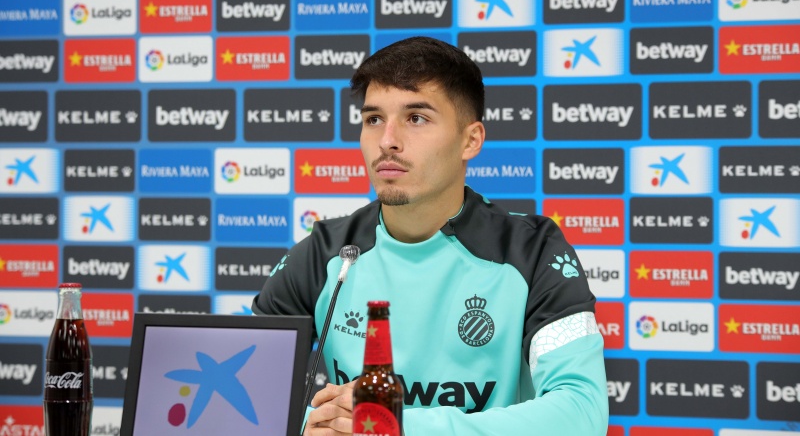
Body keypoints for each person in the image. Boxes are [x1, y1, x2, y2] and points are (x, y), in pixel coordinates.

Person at [252, 36, 608, 435]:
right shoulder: (326, 253)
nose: (387, 140)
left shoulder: (532, 251)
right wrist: (311, 426)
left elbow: (583, 412)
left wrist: (392, 426)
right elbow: (249, 396)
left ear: (470, 140)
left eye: (416, 118)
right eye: (373, 119)